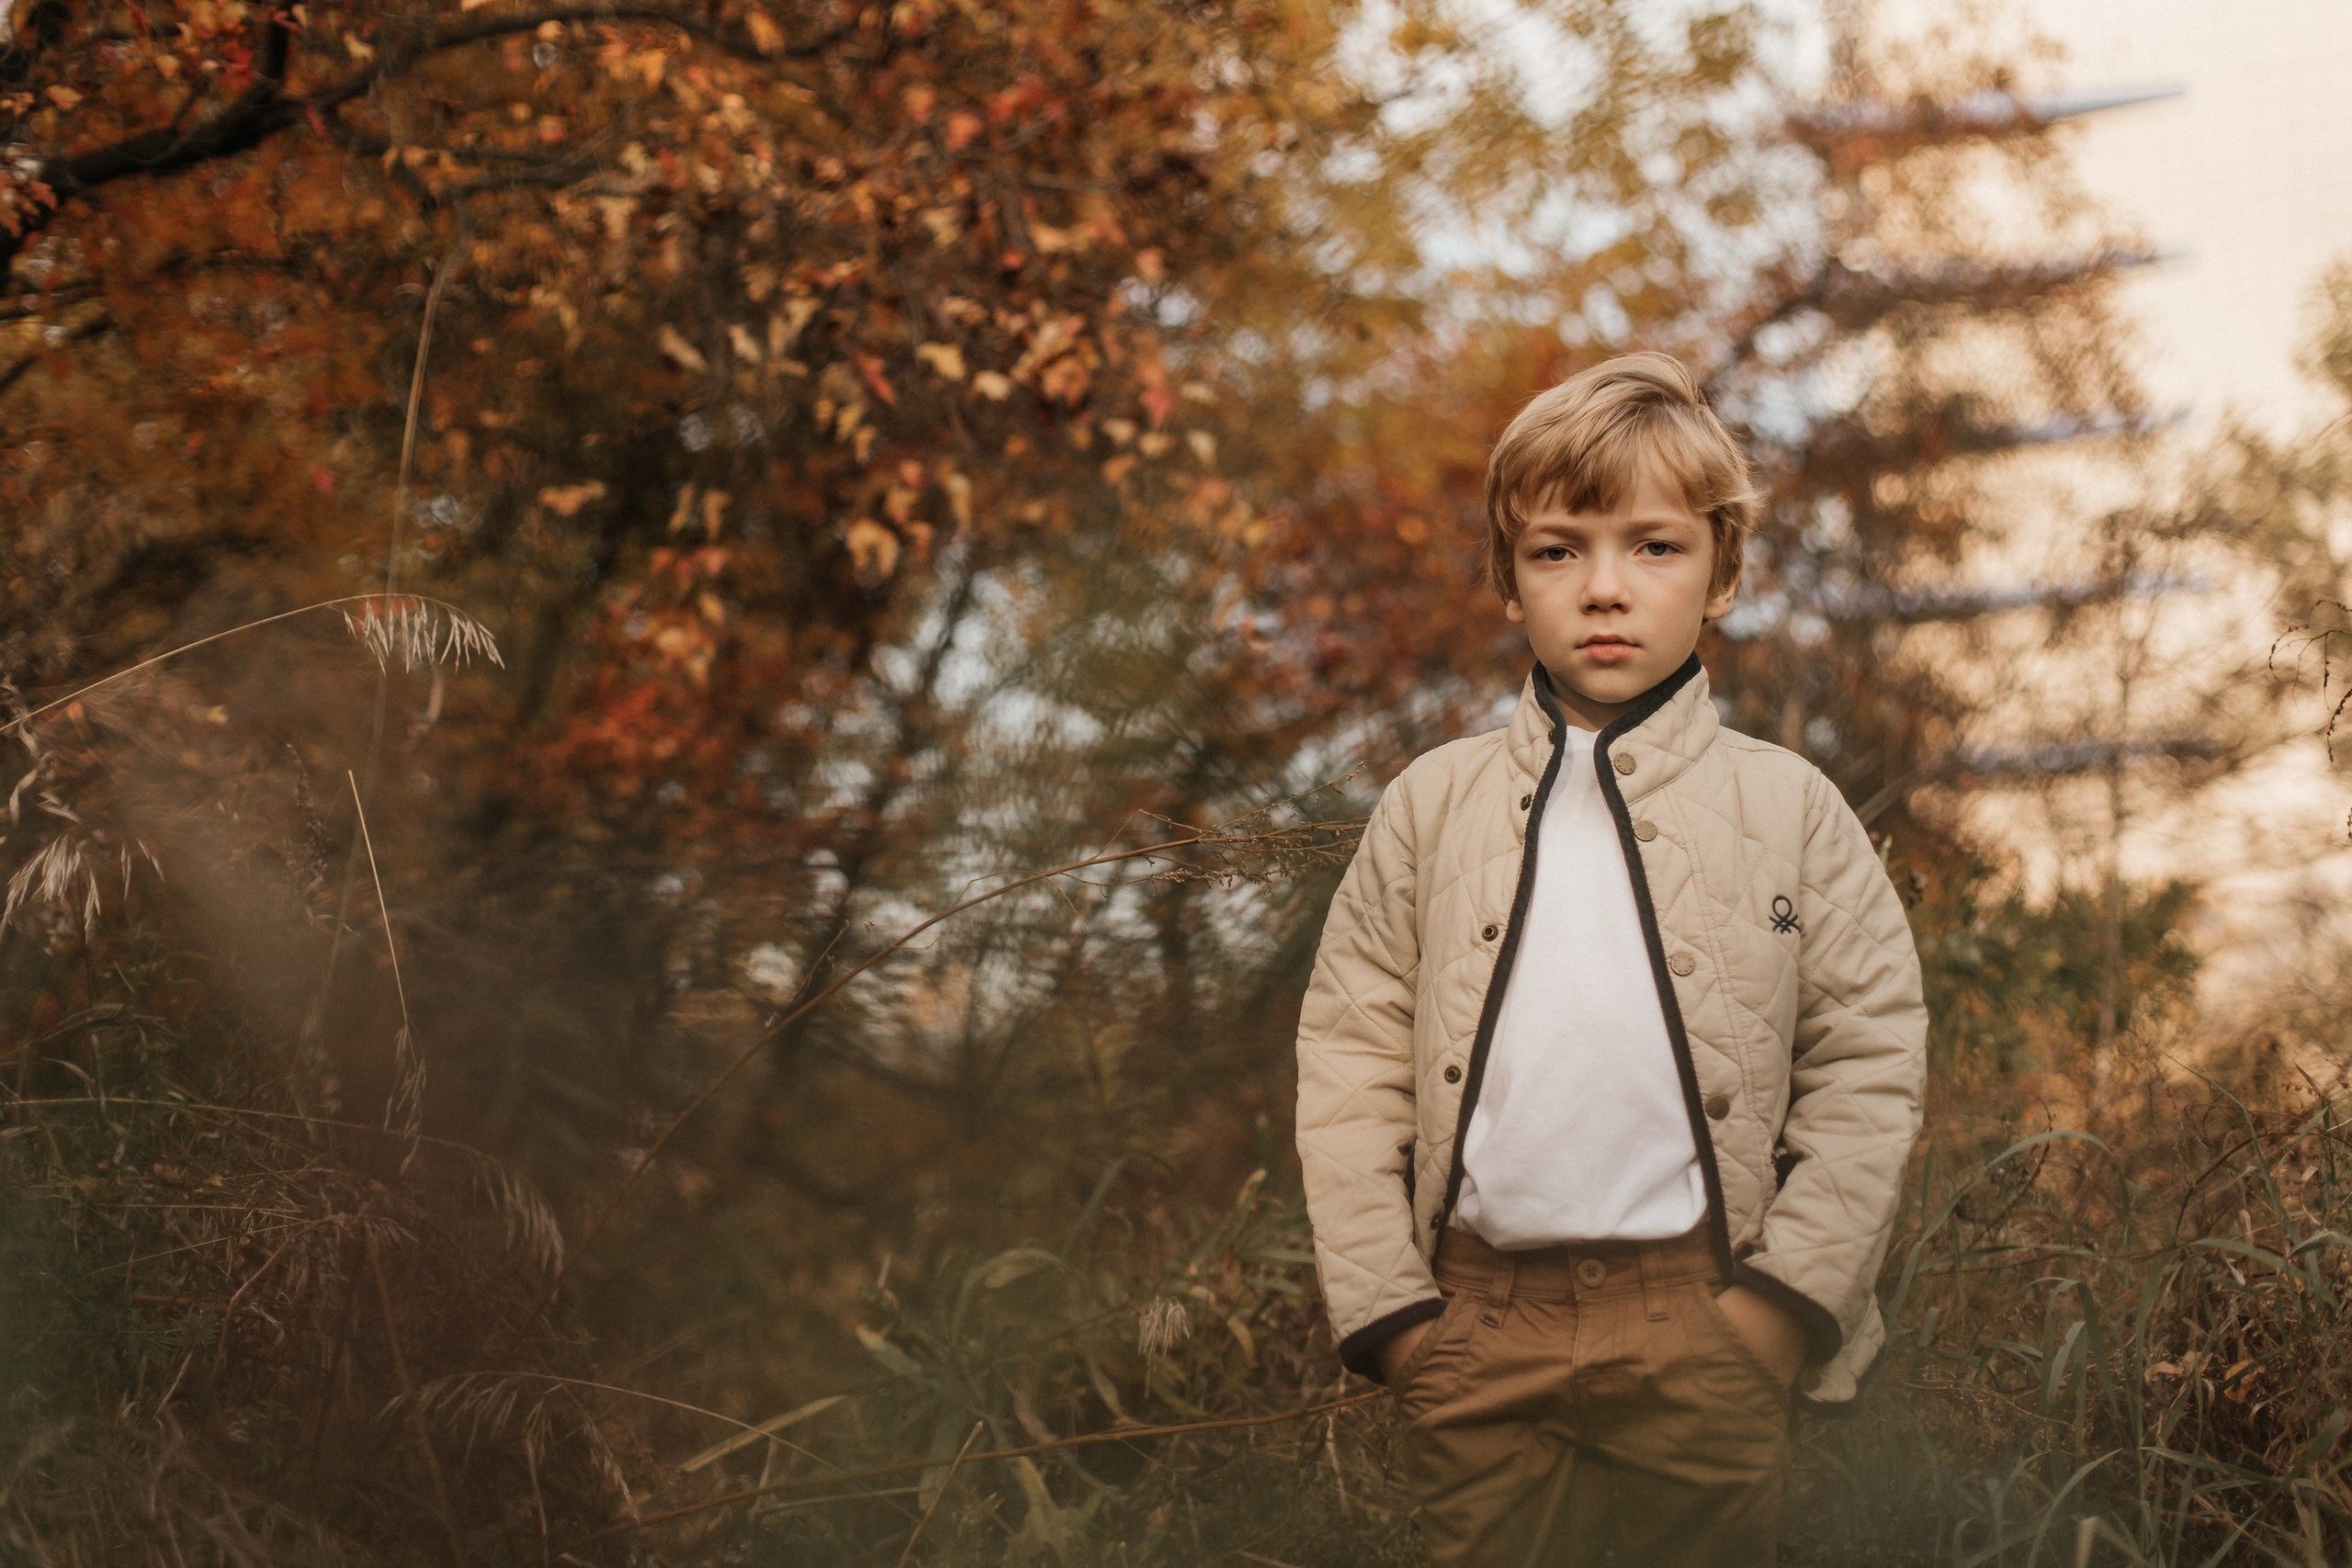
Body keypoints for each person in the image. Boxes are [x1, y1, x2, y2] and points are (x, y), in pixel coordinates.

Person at [1294, 352, 1927, 1566]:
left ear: (1723, 573)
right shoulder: (1430, 808)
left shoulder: (1791, 808)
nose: (1603, 589)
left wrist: (1782, 1309)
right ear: (1508, 579)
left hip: (1705, 1319)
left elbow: (1871, 1063)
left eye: (1653, 547)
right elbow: (1349, 1063)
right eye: (1556, 550)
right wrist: (1393, 1319)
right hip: (1476, 1322)